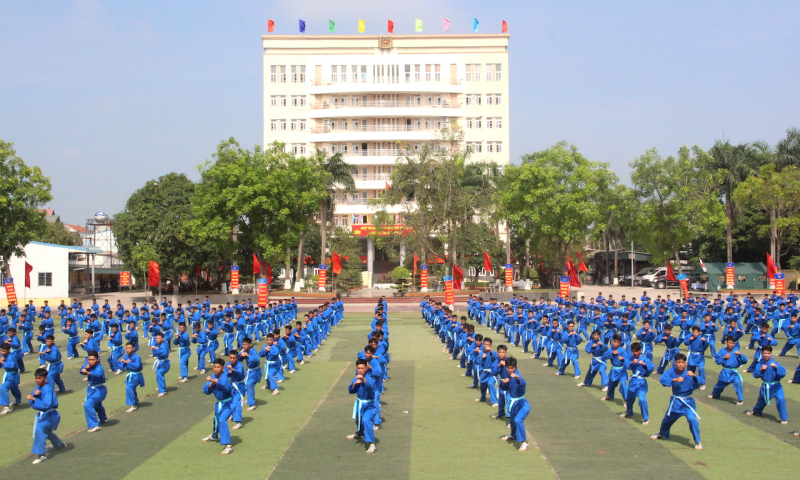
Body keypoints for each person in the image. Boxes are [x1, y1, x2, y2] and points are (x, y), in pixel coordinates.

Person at [650, 353, 702, 450]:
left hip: (687, 403)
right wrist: (675, 379)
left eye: (683, 362)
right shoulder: (672, 371)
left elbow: (701, 381)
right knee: (667, 419)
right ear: (675, 363)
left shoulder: (689, 374)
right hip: (676, 402)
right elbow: (663, 379)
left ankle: (697, 441)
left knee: (692, 419)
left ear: (685, 363)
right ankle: (662, 432)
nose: (681, 364)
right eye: (679, 362)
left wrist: (694, 376)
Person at [28, 367, 65, 464]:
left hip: (51, 415)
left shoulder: (48, 389)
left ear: (45, 378)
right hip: (44, 415)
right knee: (47, 431)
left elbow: (46, 405)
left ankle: (41, 455)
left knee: (40, 429)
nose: (37, 380)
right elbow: (31, 398)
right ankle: (59, 444)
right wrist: (34, 397)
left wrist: (34, 399)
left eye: (39, 378)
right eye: (36, 378)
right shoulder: (38, 387)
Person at [746, 345, 788, 424]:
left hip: (776, 386)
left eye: (768, 353)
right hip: (766, 385)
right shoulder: (760, 364)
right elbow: (755, 375)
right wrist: (761, 369)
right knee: (762, 399)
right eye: (765, 353)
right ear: (762, 353)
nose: (766, 355)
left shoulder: (775, 363)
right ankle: (756, 410)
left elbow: (783, 374)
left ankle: (784, 418)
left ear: (771, 354)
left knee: (781, 399)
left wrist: (776, 368)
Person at [201, 358, 235, 455]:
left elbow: (225, 387)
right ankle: (214, 435)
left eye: (218, 367)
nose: (216, 369)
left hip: (229, 403)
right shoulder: (213, 376)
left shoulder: (225, 377)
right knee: (216, 419)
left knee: (222, 420)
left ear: (223, 368)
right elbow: (205, 390)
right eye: (214, 367)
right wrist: (211, 383)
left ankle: (228, 445)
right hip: (220, 403)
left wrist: (216, 382)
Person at [346, 358, 378, 453]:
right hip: (360, 404)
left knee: (366, 420)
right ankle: (360, 433)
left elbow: (370, 388)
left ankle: (372, 444)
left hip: (370, 405)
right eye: (358, 368)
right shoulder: (356, 378)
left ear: (366, 369)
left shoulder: (369, 379)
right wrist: (354, 385)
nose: (360, 370)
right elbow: (351, 391)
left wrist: (363, 380)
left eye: (362, 368)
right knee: (358, 419)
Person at [498, 356, 530, 451]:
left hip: (522, 404)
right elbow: (504, 388)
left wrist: (517, 378)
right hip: (514, 404)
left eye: (512, 368)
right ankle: (512, 435)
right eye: (508, 368)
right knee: (512, 420)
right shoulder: (508, 377)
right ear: (506, 367)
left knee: (517, 420)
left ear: (515, 367)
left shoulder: (517, 376)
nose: (510, 370)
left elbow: (523, 383)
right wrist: (503, 383)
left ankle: (524, 442)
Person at [620, 342, 654, 425]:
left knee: (642, 399)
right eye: (633, 351)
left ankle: (646, 418)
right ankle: (629, 411)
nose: (635, 353)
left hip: (641, 382)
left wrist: (644, 364)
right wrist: (632, 362)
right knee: (630, 398)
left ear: (640, 350)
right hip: (633, 382)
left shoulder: (645, 358)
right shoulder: (632, 358)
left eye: (637, 351)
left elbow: (651, 367)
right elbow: (626, 365)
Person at [708, 336, 747, 406]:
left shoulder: (736, 351)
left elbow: (745, 361)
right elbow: (717, 361)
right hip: (725, 372)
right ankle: (715, 394)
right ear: (726, 342)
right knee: (719, 385)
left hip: (734, 372)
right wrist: (724, 358)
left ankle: (740, 399)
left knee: (737, 383)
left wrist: (741, 355)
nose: (731, 344)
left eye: (733, 343)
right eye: (730, 343)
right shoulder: (722, 351)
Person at [81, 351, 107, 432]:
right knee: (97, 405)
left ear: (97, 360)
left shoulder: (99, 368)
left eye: (93, 360)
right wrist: (85, 369)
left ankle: (94, 425)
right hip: (92, 389)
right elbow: (81, 370)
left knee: (87, 405)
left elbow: (98, 374)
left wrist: (88, 373)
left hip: (99, 390)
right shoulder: (89, 366)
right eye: (89, 360)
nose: (91, 361)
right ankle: (103, 418)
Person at [119, 341, 144, 413]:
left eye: (129, 348)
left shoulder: (136, 357)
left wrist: (128, 363)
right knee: (131, 387)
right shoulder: (126, 356)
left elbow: (137, 366)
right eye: (126, 348)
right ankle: (135, 400)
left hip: (136, 375)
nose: (128, 350)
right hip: (130, 375)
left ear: (133, 348)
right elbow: (121, 365)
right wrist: (124, 362)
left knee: (129, 387)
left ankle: (132, 405)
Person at [239, 338, 261, 411]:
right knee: (248, 385)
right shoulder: (245, 351)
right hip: (249, 371)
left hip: (255, 372)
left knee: (249, 385)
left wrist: (248, 355)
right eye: (243, 344)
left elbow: (256, 359)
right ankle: (251, 398)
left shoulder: (253, 351)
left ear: (250, 345)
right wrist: (241, 354)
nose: (244, 346)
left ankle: (252, 404)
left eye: (245, 344)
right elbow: (239, 358)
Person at [0, 342, 22, 414]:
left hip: (12, 376)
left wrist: (3, 362)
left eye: (3, 351)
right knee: (14, 388)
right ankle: (18, 401)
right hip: (9, 375)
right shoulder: (4, 356)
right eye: (1, 350)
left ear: (8, 350)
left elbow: (12, 365)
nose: (2, 352)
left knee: (3, 387)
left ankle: (7, 406)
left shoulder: (11, 357)